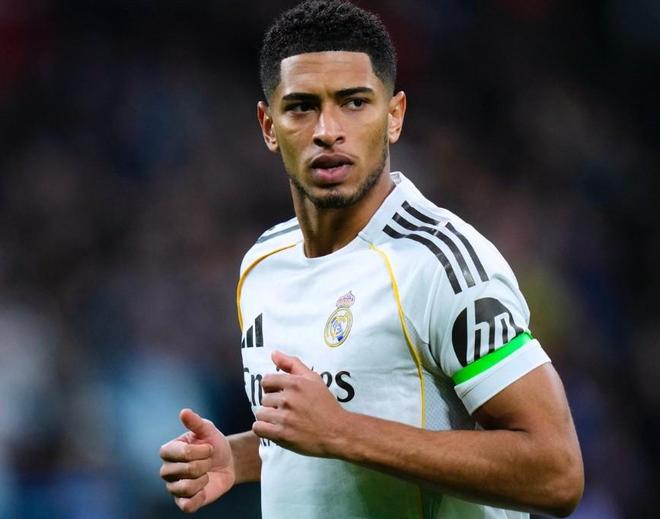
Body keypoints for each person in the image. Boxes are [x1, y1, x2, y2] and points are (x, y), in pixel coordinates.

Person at [159, 1, 584, 517]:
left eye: (354, 102)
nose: (327, 130)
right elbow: (316, 435)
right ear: (268, 126)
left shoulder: (441, 265)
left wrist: (342, 431)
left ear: (394, 116)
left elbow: (556, 472)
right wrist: (240, 457)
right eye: (301, 107)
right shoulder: (262, 264)